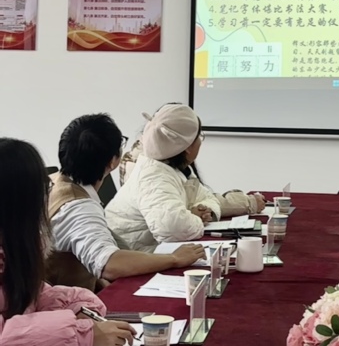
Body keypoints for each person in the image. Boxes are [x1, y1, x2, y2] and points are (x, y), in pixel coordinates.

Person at [0, 137, 136, 346]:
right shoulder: (78, 204)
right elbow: (110, 264)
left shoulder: (14, 246)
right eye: (43, 188)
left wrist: (76, 305)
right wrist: (82, 333)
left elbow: (32, 294)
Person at [47, 114, 206, 290]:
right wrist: (174, 259)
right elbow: (109, 264)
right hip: (67, 302)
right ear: (113, 161)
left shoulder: (52, 182)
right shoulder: (79, 208)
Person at [106, 104, 222, 252]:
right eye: (199, 137)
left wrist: (206, 211)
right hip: (132, 256)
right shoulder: (152, 176)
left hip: (152, 252)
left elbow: (207, 197)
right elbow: (173, 228)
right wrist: (196, 217)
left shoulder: (176, 169)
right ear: (187, 147)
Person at [119, 105, 265, 216]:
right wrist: (248, 203)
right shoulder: (149, 169)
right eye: (198, 136)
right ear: (186, 144)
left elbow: (202, 199)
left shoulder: (163, 157)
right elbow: (181, 212)